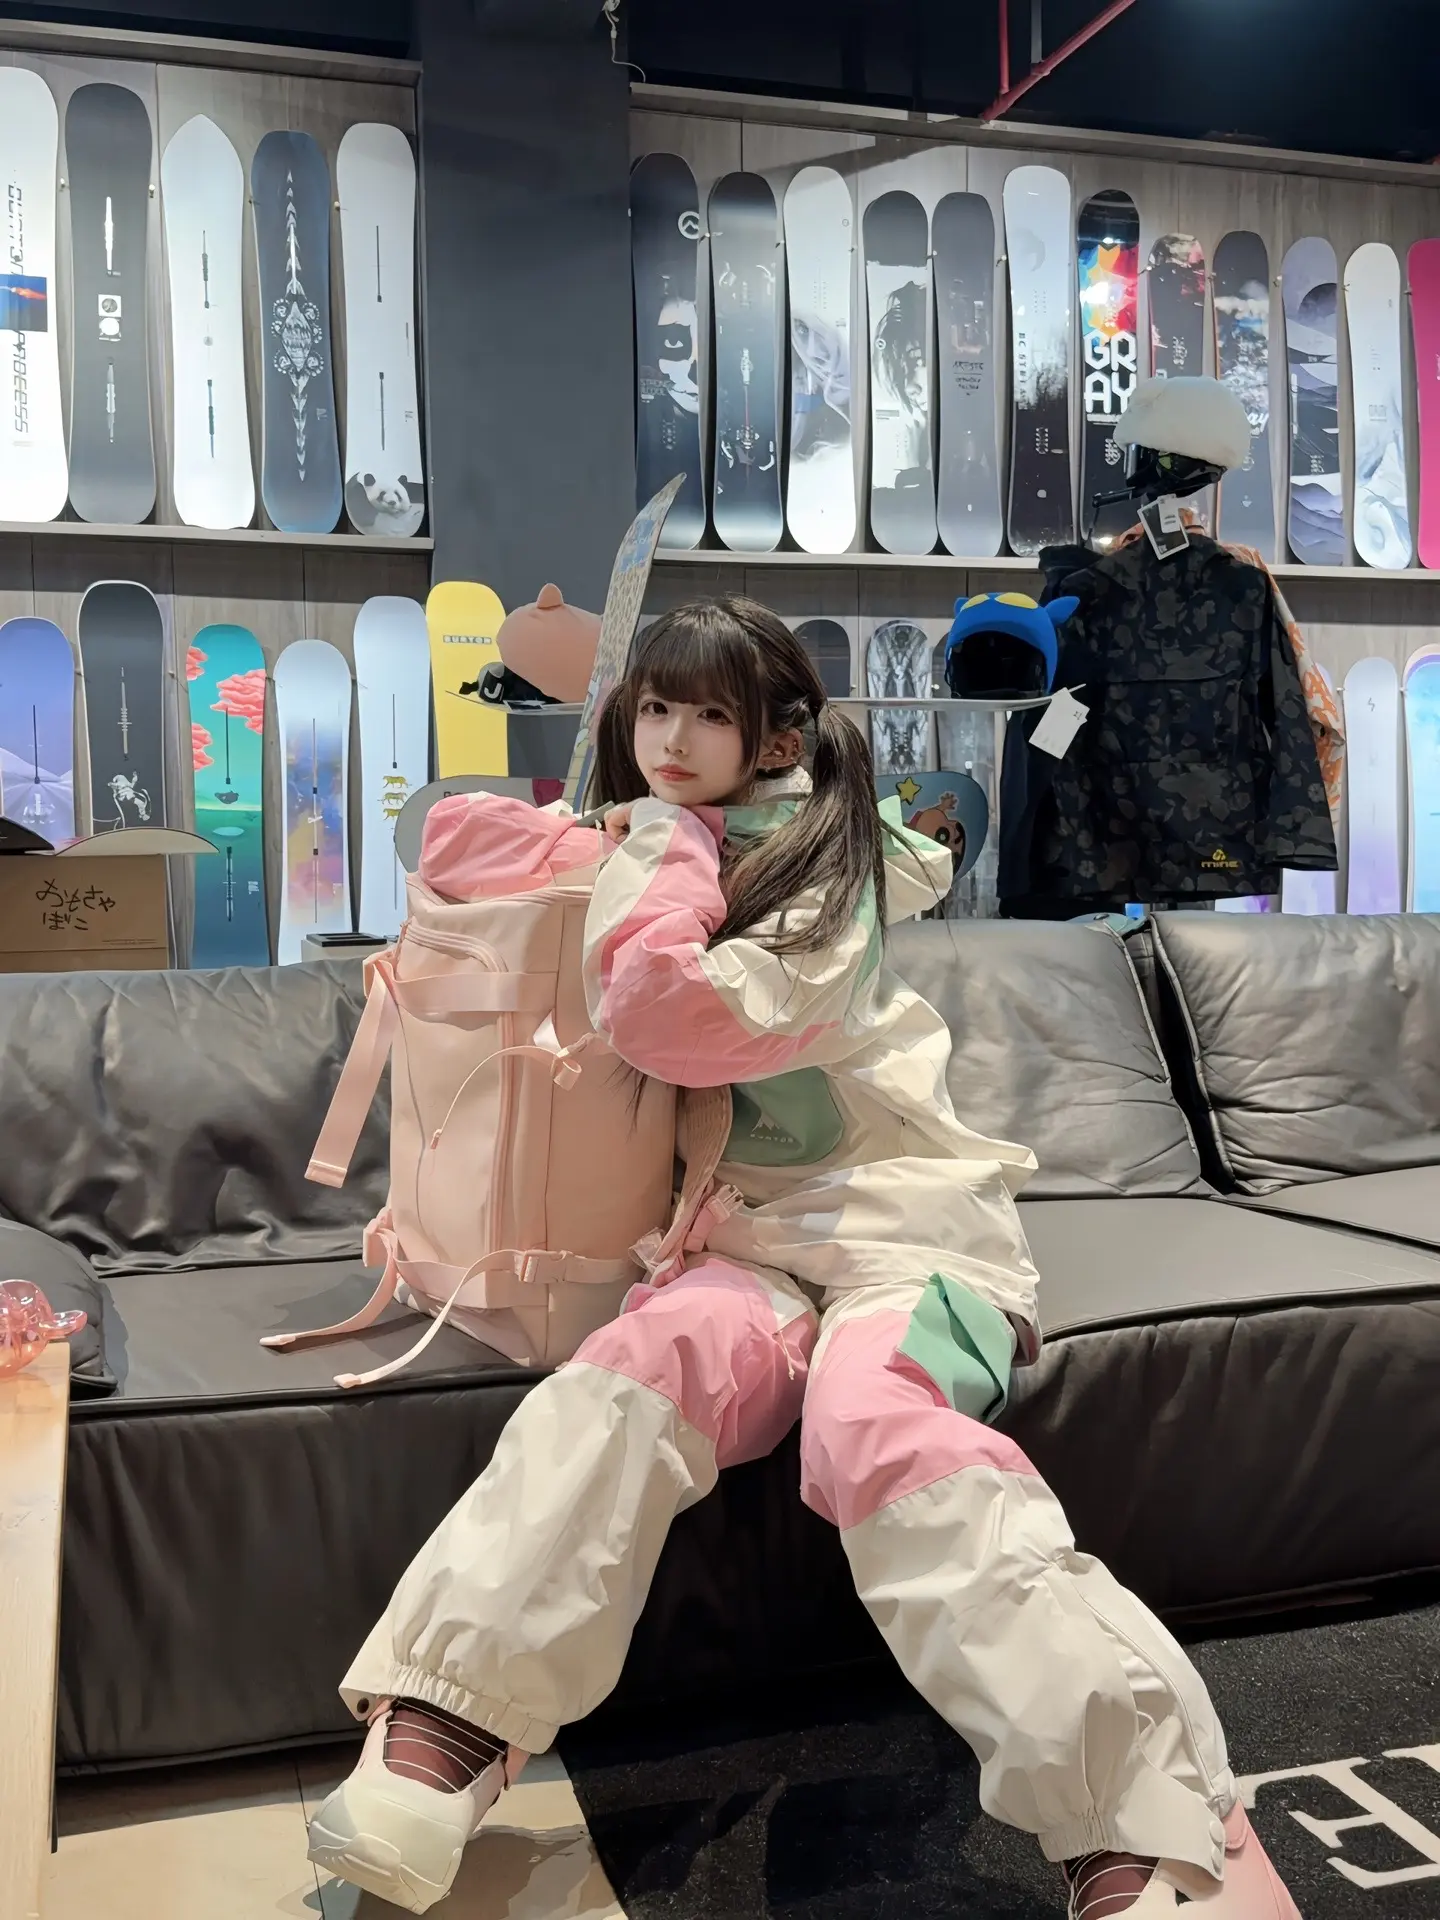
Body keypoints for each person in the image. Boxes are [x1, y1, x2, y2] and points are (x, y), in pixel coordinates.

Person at [306, 597, 1301, 1920]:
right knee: (625, 1380)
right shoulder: (670, 831)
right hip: (739, 1241)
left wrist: (661, 852)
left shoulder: (831, 876)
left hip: (913, 1237)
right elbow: (449, 838)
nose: (670, 739)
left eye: (707, 714)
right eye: (655, 709)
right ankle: (449, 1718)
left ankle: (1156, 1815)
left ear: (776, 736)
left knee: (880, 1431)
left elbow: (673, 1016)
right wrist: (632, 829)